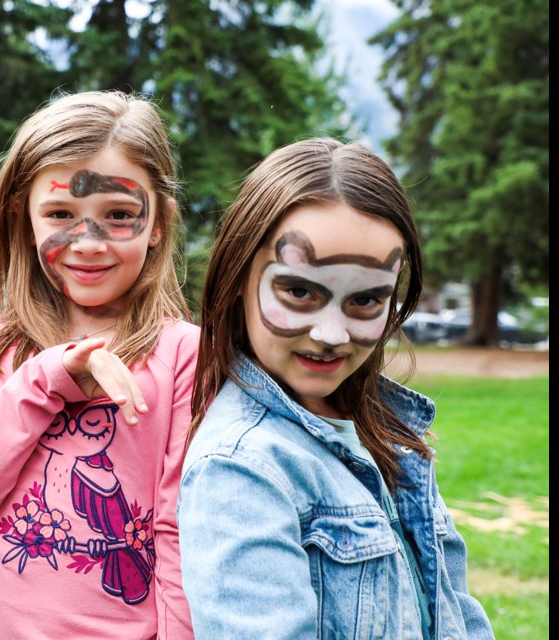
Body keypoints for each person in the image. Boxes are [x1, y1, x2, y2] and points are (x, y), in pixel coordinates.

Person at [177, 137, 495, 639]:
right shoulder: (242, 468)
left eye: (366, 300)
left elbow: (454, 612)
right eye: (299, 291)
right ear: (239, 274)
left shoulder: (386, 432)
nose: (331, 334)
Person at [0, 90, 197, 639]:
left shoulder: (185, 354)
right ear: (24, 219)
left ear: (160, 222)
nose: (87, 242)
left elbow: (181, 535)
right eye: (60, 214)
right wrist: (48, 379)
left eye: (118, 215)